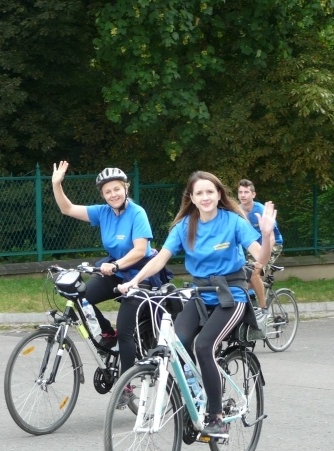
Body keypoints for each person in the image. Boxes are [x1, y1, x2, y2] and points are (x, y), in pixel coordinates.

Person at [118, 171, 277, 438]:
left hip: (232, 294)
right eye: (199, 193)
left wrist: (267, 236)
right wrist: (134, 281)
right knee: (176, 343)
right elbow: (160, 259)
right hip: (201, 293)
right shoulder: (184, 227)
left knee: (204, 346)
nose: (205, 197)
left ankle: (216, 416)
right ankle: (195, 397)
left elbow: (259, 257)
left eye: (210, 192)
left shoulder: (234, 222)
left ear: (218, 195)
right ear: (191, 198)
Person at [51, 161, 162, 403]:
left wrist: (116, 265)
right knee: (80, 296)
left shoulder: (137, 213)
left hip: (141, 274)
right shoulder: (102, 212)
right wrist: (56, 184)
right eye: (107, 191)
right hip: (115, 269)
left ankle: (126, 386)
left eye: (116, 189)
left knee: (126, 330)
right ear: (102, 194)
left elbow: (141, 250)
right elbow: (67, 208)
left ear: (125, 188)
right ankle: (106, 332)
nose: (113, 194)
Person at [237, 179, 283, 308]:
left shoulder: (261, 210)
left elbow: (271, 237)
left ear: (253, 194)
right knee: (241, 278)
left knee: (253, 274)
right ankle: (252, 302)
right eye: (240, 192)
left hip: (271, 244)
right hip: (251, 247)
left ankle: (263, 309)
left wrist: (261, 258)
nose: (242, 195)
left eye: (246, 192)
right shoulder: (237, 211)